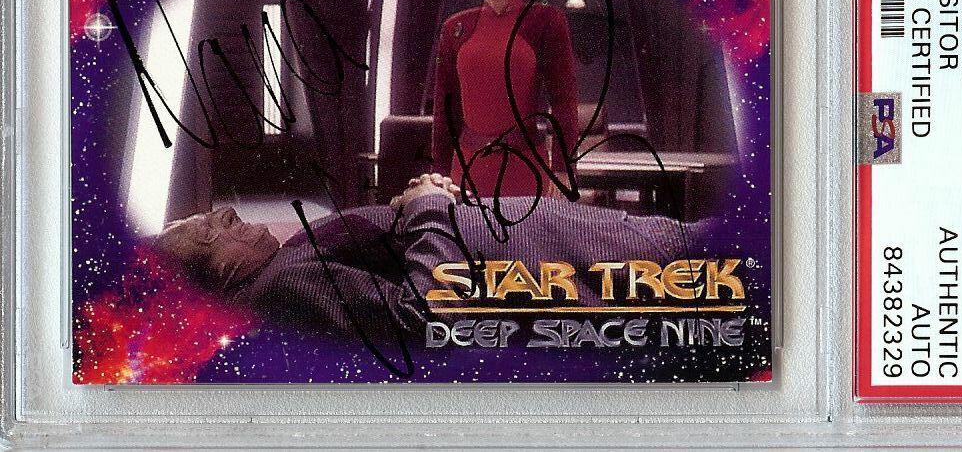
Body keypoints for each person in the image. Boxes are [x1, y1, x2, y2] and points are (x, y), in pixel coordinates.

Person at [151, 174, 701, 343]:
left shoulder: (282, 267)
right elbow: (424, 315)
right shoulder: (281, 285)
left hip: (578, 249)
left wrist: (410, 208)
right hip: (586, 263)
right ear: (215, 274)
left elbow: (388, 262)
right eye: (209, 227)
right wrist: (430, 207)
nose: (226, 212)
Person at [432, 0, 579, 199]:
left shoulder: (545, 21)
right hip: (466, 170)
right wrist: (438, 175)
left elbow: (564, 103)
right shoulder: (455, 27)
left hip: (524, 169)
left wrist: (564, 170)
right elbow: (444, 110)